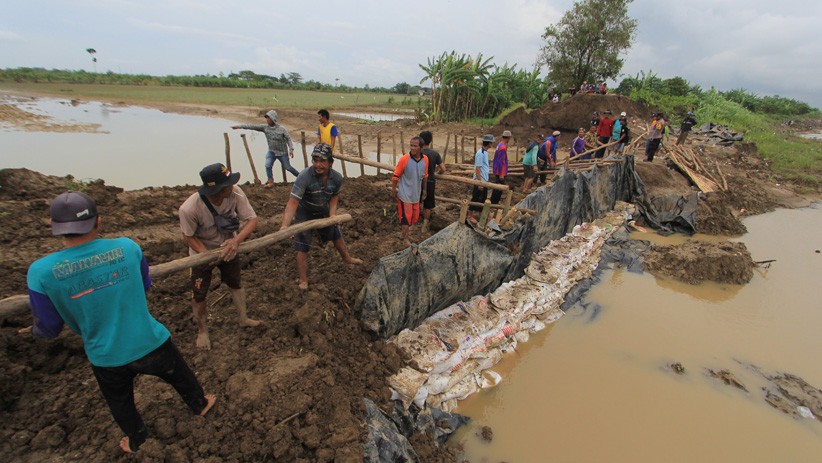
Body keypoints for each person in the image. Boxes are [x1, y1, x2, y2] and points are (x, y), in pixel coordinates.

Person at [24, 191, 216, 454]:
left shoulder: (40, 272)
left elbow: (49, 328)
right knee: (180, 375)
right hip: (148, 340)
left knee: (120, 401)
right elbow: (145, 285)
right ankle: (200, 403)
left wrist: (35, 328)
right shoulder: (127, 247)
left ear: (55, 228)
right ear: (98, 221)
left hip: (105, 354)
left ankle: (137, 439)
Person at [179, 163, 260, 350]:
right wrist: (204, 255)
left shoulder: (236, 193)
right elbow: (188, 236)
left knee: (235, 283)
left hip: (228, 248)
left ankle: (243, 318)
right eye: (227, 185)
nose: (231, 187)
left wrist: (236, 241)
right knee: (199, 294)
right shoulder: (189, 209)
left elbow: (252, 220)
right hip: (201, 253)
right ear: (216, 189)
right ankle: (202, 331)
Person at [280, 143, 362, 290]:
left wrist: (332, 215)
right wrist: (285, 226)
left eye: (322, 161)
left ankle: (347, 258)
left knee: (336, 234)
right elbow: (292, 203)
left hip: (323, 210)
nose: (318, 165)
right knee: (302, 245)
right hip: (304, 213)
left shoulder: (337, 178)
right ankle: (303, 279)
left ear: (330, 162)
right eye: (315, 160)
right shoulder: (304, 177)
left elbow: (334, 196)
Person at [232, 110, 299, 187]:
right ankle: (270, 181)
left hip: (282, 152)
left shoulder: (282, 129)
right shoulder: (265, 128)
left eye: (268, 118)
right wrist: (240, 126)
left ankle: (300, 176)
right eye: (266, 118)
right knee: (268, 165)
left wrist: (291, 149)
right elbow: (252, 126)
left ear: (273, 119)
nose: (267, 120)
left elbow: (288, 139)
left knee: (288, 167)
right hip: (272, 151)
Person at [391, 136, 429, 246]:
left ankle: (405, 234)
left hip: (416, 194)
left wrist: (425, 190)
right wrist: (393, 189)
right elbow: (396, 176)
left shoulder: (425, 159)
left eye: (415, 146)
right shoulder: (404, 159)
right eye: (411, 145)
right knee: (406, 218)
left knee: (414, 217)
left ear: (421, 148)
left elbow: (425, 176)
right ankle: (405, 239)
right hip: (405, 194)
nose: (412, 148)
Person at [419, 130, 446, 233]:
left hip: (417, 182)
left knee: (416, 202)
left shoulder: (417, 153)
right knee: (428, 204)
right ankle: (425, 224)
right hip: (430, 181)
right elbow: (443, 169)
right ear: (430, 141)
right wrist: (436, 173)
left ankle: (413, 222)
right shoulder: (435, 154)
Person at [468, 134, 494, 223]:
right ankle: (470, 215)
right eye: (491, 142)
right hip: (480, 180)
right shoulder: (480, 153)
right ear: (489, 143)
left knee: (483, 198)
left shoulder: (485, 152)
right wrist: (479, 182)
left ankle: (480, 213)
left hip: (484, 180)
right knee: (475, 197)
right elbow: (477, 168)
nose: (492, 144)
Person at [491, 130, 511, 204]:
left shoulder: (500, 144)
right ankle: (494, 202)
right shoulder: (502, 147)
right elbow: (501, 162)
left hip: (496, 169)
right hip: (500, 171)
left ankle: (494, 201)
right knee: (499, 188)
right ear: (508, 138)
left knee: (497, 187)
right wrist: (501, 173)